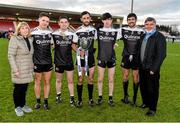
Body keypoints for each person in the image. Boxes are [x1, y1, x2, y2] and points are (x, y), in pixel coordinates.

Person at [139, 17, 166, 116]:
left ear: (155, 25)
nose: (149, 26)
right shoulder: (143, 35)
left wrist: (154, 69)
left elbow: (161, 55)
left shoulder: (159, 37)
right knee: (143, 87)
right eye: (147, 24)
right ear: (144, 25)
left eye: (151, 24)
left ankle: (152, 108)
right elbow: (140, 51)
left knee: (152, 89)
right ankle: (145, 103)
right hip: (142, 67)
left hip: (151, 68)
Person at [8, 22, 33, 116]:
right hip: (19, 68)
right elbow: (10, 55)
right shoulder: (14, 39)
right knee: (18, 88)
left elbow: (30, 55)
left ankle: (23, 105)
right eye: (22, 28)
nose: (25, 30)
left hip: (27, 69)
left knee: (24, 88)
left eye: (26, 28)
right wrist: (15, 70)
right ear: (18, 30)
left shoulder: (29, 39)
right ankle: (17, 107)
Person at [52, 16, 77, 107]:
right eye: (61, 22)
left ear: (68, 24)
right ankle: (58, 96)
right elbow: (52, 46)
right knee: (58, 80)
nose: (64, 24)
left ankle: (72, 99)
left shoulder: (72, 34)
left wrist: (81, 51)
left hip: (69, 61)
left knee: (70, 81)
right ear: (58, 23)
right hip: (58, 61)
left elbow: (74, 47)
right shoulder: (54, 34)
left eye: (65, 22)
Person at [96, 12, 121, 106]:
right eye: (105, 19)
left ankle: (110, 98)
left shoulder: (116, 32)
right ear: (102, 20)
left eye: (109, 19)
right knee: (100, 79)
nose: (107, 21)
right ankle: (100, 97)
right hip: (101, 57)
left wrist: (115, 44)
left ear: (111, 21)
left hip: (112, 58)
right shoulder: (98, 31)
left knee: (111, 79)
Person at [120, 13, 144, 106]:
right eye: (129, 19)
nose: (131, 21)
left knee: (135, 77)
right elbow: (112, 36)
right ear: (127, 21)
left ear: (136, 20)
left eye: (132, 19)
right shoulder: (123, 30)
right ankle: (125, 96)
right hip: (126, 56)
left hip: (136, 57)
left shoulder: (141, 31)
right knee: (125, 76)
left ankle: (134, 98)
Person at [31, 12, 53, 110]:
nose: (45, 22)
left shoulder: (51, 33)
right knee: (38, 82)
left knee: (47, 82)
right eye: (43, 20)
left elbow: (53, 45)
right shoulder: (32, 32)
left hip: (48, 61)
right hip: (37, 62)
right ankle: (38, 101)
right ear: (39, 20)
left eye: (47, 21)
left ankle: (46, 102)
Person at [75, 11, 97, 107]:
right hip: (81, 59)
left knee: (91, 79)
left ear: (90, 18)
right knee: (80, 79)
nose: (86, 20)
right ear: (81, 19)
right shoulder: (77, 31)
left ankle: (90, 99)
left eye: (88, 18)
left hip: (91, 58)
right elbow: (73, 44)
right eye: (84, 18)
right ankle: (79, 100)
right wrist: (79, 51)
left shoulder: (94, 30)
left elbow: (101, 40)